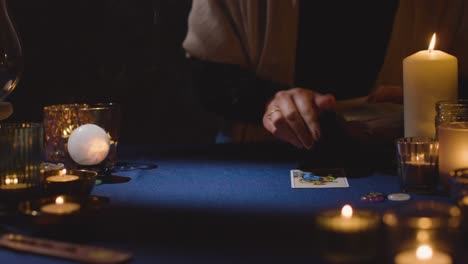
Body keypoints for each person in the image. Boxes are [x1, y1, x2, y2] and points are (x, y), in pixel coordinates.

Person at [182, 0, 468, 152]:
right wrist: (267, 99)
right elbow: (208, 75)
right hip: (264, 153)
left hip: (396, 162)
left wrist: (436, 106)